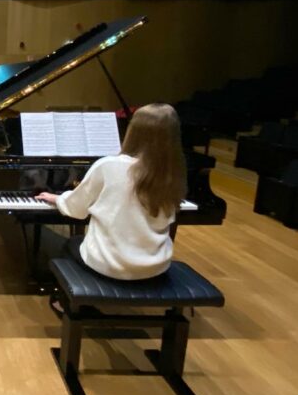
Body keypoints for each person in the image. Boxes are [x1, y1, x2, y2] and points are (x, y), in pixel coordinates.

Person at [36, 103, 186, 281]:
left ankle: (72, 301)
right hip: (156, 267)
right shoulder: (174, 171)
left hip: (109, 265)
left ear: (133, 131)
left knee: (70, 244)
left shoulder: (109, 165)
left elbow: (76, 210)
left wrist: (59, 198)